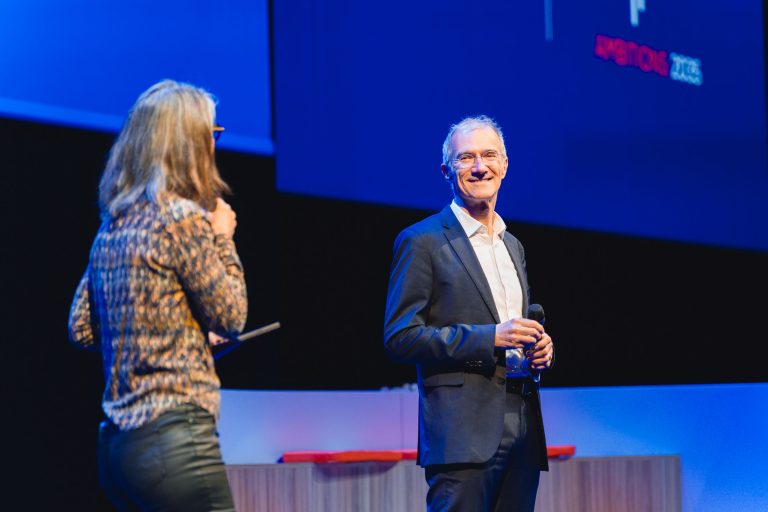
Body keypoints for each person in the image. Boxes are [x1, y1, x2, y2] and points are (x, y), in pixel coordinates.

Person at [68, 79, 247, 511]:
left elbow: (81, 328)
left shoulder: (114, 224)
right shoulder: (181, 218)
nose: (213, 146)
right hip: (174, 437)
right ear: (188, 144)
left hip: (118, 447)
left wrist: (171, 334)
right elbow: (231, 316)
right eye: (210, 134)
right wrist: (223, 237)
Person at [383, 115, 554, 512]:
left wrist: (540, 348)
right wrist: (490, 337)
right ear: (447, 170)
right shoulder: (421, 241)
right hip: (462, 436)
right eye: (466, 158)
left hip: (524, 423)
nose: (480, 167)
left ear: (505, 165)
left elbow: (517, 327)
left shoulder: (513, 246)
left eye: (490, 155)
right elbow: (400, 336)